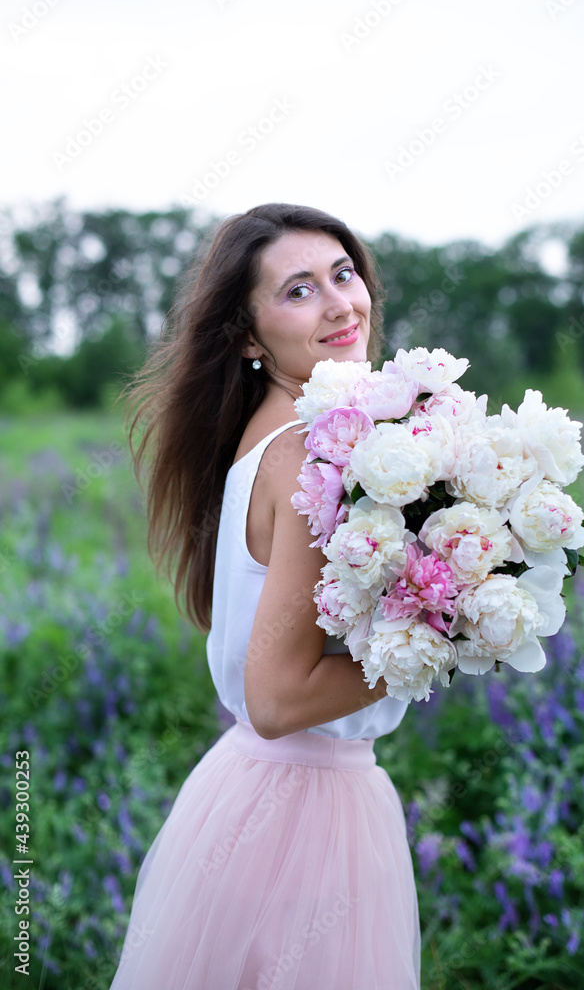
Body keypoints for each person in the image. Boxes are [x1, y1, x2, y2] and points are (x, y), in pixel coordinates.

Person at [109, 203, 421, 989]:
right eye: (298, 290)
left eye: (343, 275)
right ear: (249, 337)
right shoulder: (306, 454)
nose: (340, 303)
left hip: (261, 792)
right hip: (304, 812)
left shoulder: (281, 431)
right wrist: (442, 647)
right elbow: (278, 700)